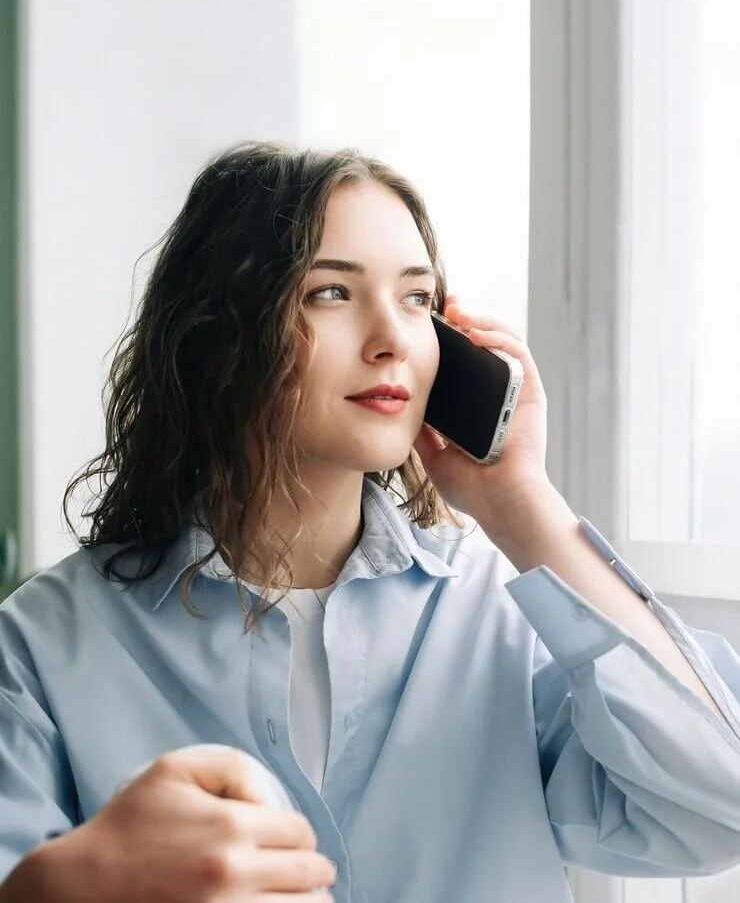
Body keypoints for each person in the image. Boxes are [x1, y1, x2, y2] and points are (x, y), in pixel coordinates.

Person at [1, 141, 740, 903]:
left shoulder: (501, 614)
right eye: (331, 292)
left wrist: (521, 502)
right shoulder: (45, 643)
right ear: (218, 333)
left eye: (417, 299)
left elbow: (721, 803)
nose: (392, 340)